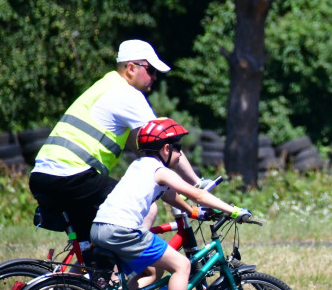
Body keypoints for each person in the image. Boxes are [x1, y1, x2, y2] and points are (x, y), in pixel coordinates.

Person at [90, 118, 250, 290]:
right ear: (166, 149)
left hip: (101, 227)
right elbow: (198, 194)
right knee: (182, 265)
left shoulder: (138, 166)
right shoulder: (160, 170)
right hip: (123, 230)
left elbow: (171, 196)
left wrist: (194, 213)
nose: (180, 154)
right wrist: (233, 210)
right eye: (179, 149)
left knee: (153, 270)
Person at [29, 39, 204, 243]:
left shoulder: (105, 85)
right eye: (151, 70)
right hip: (72, 175)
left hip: (45, 174)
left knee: (94, 249)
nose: (155, 77)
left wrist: (169, 185)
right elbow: (165, 141)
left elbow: (149, 156)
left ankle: (83, 276)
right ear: (131, 68)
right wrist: (196, 184)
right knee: (144, 207)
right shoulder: (127, 94)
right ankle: (127, 266)